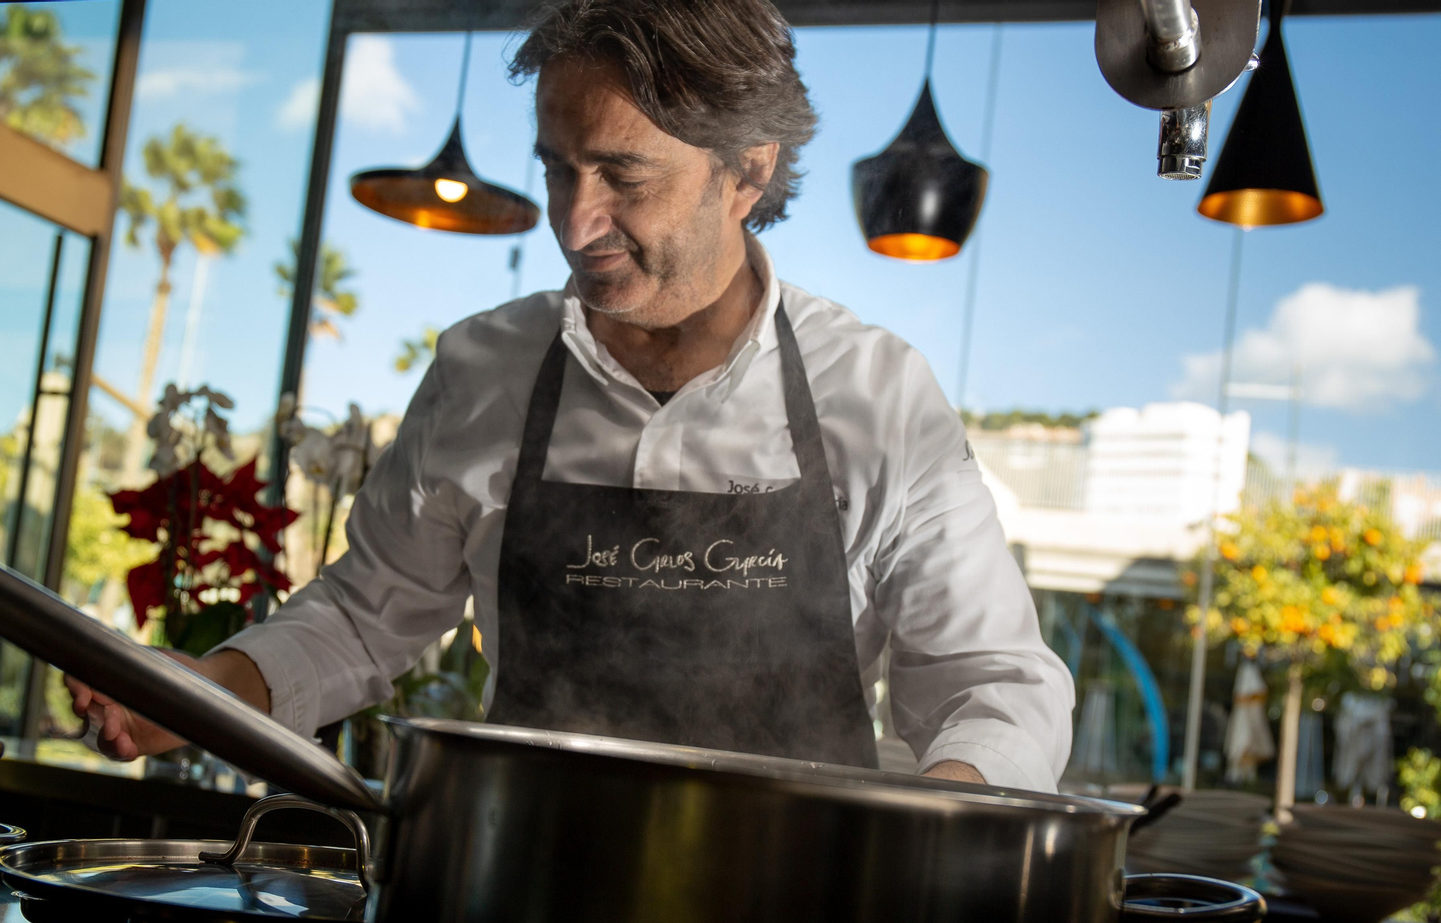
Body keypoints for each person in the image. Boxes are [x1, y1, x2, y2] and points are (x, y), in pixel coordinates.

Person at [69, 0, 1073, 791]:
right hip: (528, 912)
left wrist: (939, 818)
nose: (574, 220)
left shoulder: (878, 392)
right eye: (557, 169)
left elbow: (995, 684)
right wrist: (202, 693)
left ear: (747, 173)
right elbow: (361, 619)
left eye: (622, 174)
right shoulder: (483, 371)